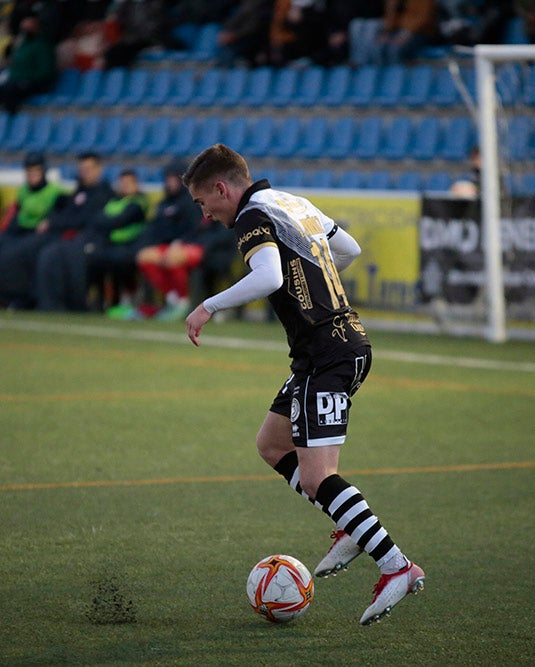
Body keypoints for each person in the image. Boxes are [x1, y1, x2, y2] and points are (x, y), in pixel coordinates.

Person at [182, 144, 425, 626]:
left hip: (326, 356)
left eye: (202, 202)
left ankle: (397, 566)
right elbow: (349, 250)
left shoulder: (252, 217)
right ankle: (351, 527)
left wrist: (208, 305)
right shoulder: (289, 202)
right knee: (272, 444)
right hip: (337, 345)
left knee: (318, 477)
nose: (205, 213)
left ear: (221, 188)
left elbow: (269, 276)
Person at [0, 152, 113, 309]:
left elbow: (82, 220)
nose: (84, 173)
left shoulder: (103, 195)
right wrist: (53, 220)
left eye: (89, 169)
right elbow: (64, 214)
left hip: (70, 240)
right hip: (53, 234)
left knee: (18, 252)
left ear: (99, 169)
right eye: (82, 169)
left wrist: (53, 222)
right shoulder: (78, 192)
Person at [36, 169, 148, 313]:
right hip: (108, 244)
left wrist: (106, 221)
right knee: (89, 257)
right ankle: (95, 301)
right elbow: (99, 219)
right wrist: (106, 221)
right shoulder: (115, 200)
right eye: (123, 183)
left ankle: (121, 299)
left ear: (136, 184)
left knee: (114, 260)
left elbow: (118, 220)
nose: (125, 186)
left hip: (129, 245)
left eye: (129, 183)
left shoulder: (139, 201)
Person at [134, 160, 225, 321]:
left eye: (173, 178)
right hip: (177, 244)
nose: (170, 182)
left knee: (173, 257)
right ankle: (172, 298)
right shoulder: (164, 203)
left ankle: (183, 302)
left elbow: (201, 230)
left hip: (199, 247)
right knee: (145, 256)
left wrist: (181, 243)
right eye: (167, 178)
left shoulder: (197, 202)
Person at [0, 12, 57, 115]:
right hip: (16, 80)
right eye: (23, 28)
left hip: (34, 82)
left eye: (28, 28)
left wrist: (26, 78)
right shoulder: (20, 45)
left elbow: (45, 71)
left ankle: (11, 118)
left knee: (10, 91)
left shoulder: (42, 45)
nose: (25, 31)